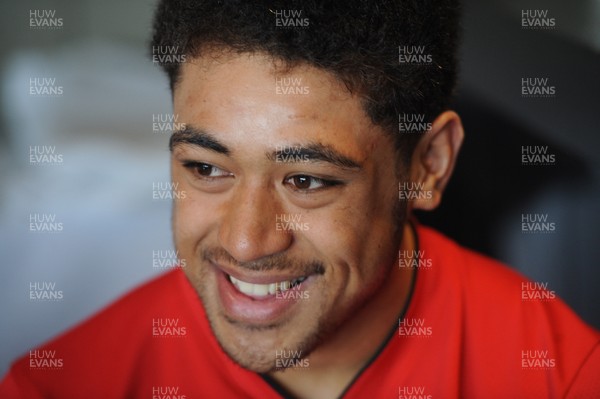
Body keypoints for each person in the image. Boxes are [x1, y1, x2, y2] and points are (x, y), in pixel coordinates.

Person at [2, 0, 598, 398]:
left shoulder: (558, 373)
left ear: (427, 165)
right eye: (207, 167)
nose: (243, 242)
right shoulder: (62, 385)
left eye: (307, 180)